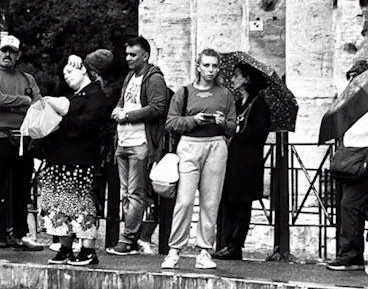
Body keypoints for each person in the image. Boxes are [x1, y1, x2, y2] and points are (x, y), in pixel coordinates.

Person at [37, 51, 118, 265]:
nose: (67, 76)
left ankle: (88, 249)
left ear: (83, 70)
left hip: (81, 159)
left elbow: (87, 123)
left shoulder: (95, 95)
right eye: (64, 73)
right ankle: (65, 247)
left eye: (71, 71)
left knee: (81, 203)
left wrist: (60, 122)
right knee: (59, 203)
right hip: (59, 158)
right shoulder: (72, 96)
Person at [164, 48, 235, 271]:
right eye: (206, 65)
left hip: (216, 144)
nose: (210, 70)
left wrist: (223, 122)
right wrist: (193, 120)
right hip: (189, 144)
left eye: (214, 66)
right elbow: (171, 122)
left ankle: (204, 250)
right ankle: (174, 249)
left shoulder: (225, 94)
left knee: (210, 201)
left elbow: (233, 127)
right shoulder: (184, 92)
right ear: (198, 67)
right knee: (184, 200)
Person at [324, 57, 368, 272]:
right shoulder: (350, 105)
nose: (353, 84)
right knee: (351, 208)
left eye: (357, 80)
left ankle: (351, 255)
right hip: (352, 164)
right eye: (351, 80)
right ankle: (352, 254)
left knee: (351, 207)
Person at [0, 35, 41, 248]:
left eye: (11, 51)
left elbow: (38, 106)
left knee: (22, 189)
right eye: (4, 50)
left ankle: (21, 233)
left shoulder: (27, 78)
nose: (7, 55)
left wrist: (10, 105)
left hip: (23, 138)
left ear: (18, 55)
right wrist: (24, 101)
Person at [112, 36, 172, 255]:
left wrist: (128, 116)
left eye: (133, 55)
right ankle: (132, 236)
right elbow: (123, 101)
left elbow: (158, 107)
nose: (128, 58)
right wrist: (117, 110)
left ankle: (127, 239)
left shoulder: (154, 78)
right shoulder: (130, 76)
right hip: (123, 140)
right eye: (127, 54)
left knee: (136, 193)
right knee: (126, 193)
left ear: (145, 56)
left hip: (141, 142)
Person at [219, 64, 272, 261]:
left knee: (242, 203)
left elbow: (259, 133)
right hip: (233, 158)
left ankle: (235, 245)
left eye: (236, 76)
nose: (233, 79)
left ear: (247, 79)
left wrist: (238, 133)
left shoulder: (259, 104)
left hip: (248, 162)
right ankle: (226, 242)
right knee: (229, 201)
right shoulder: (238, 103)